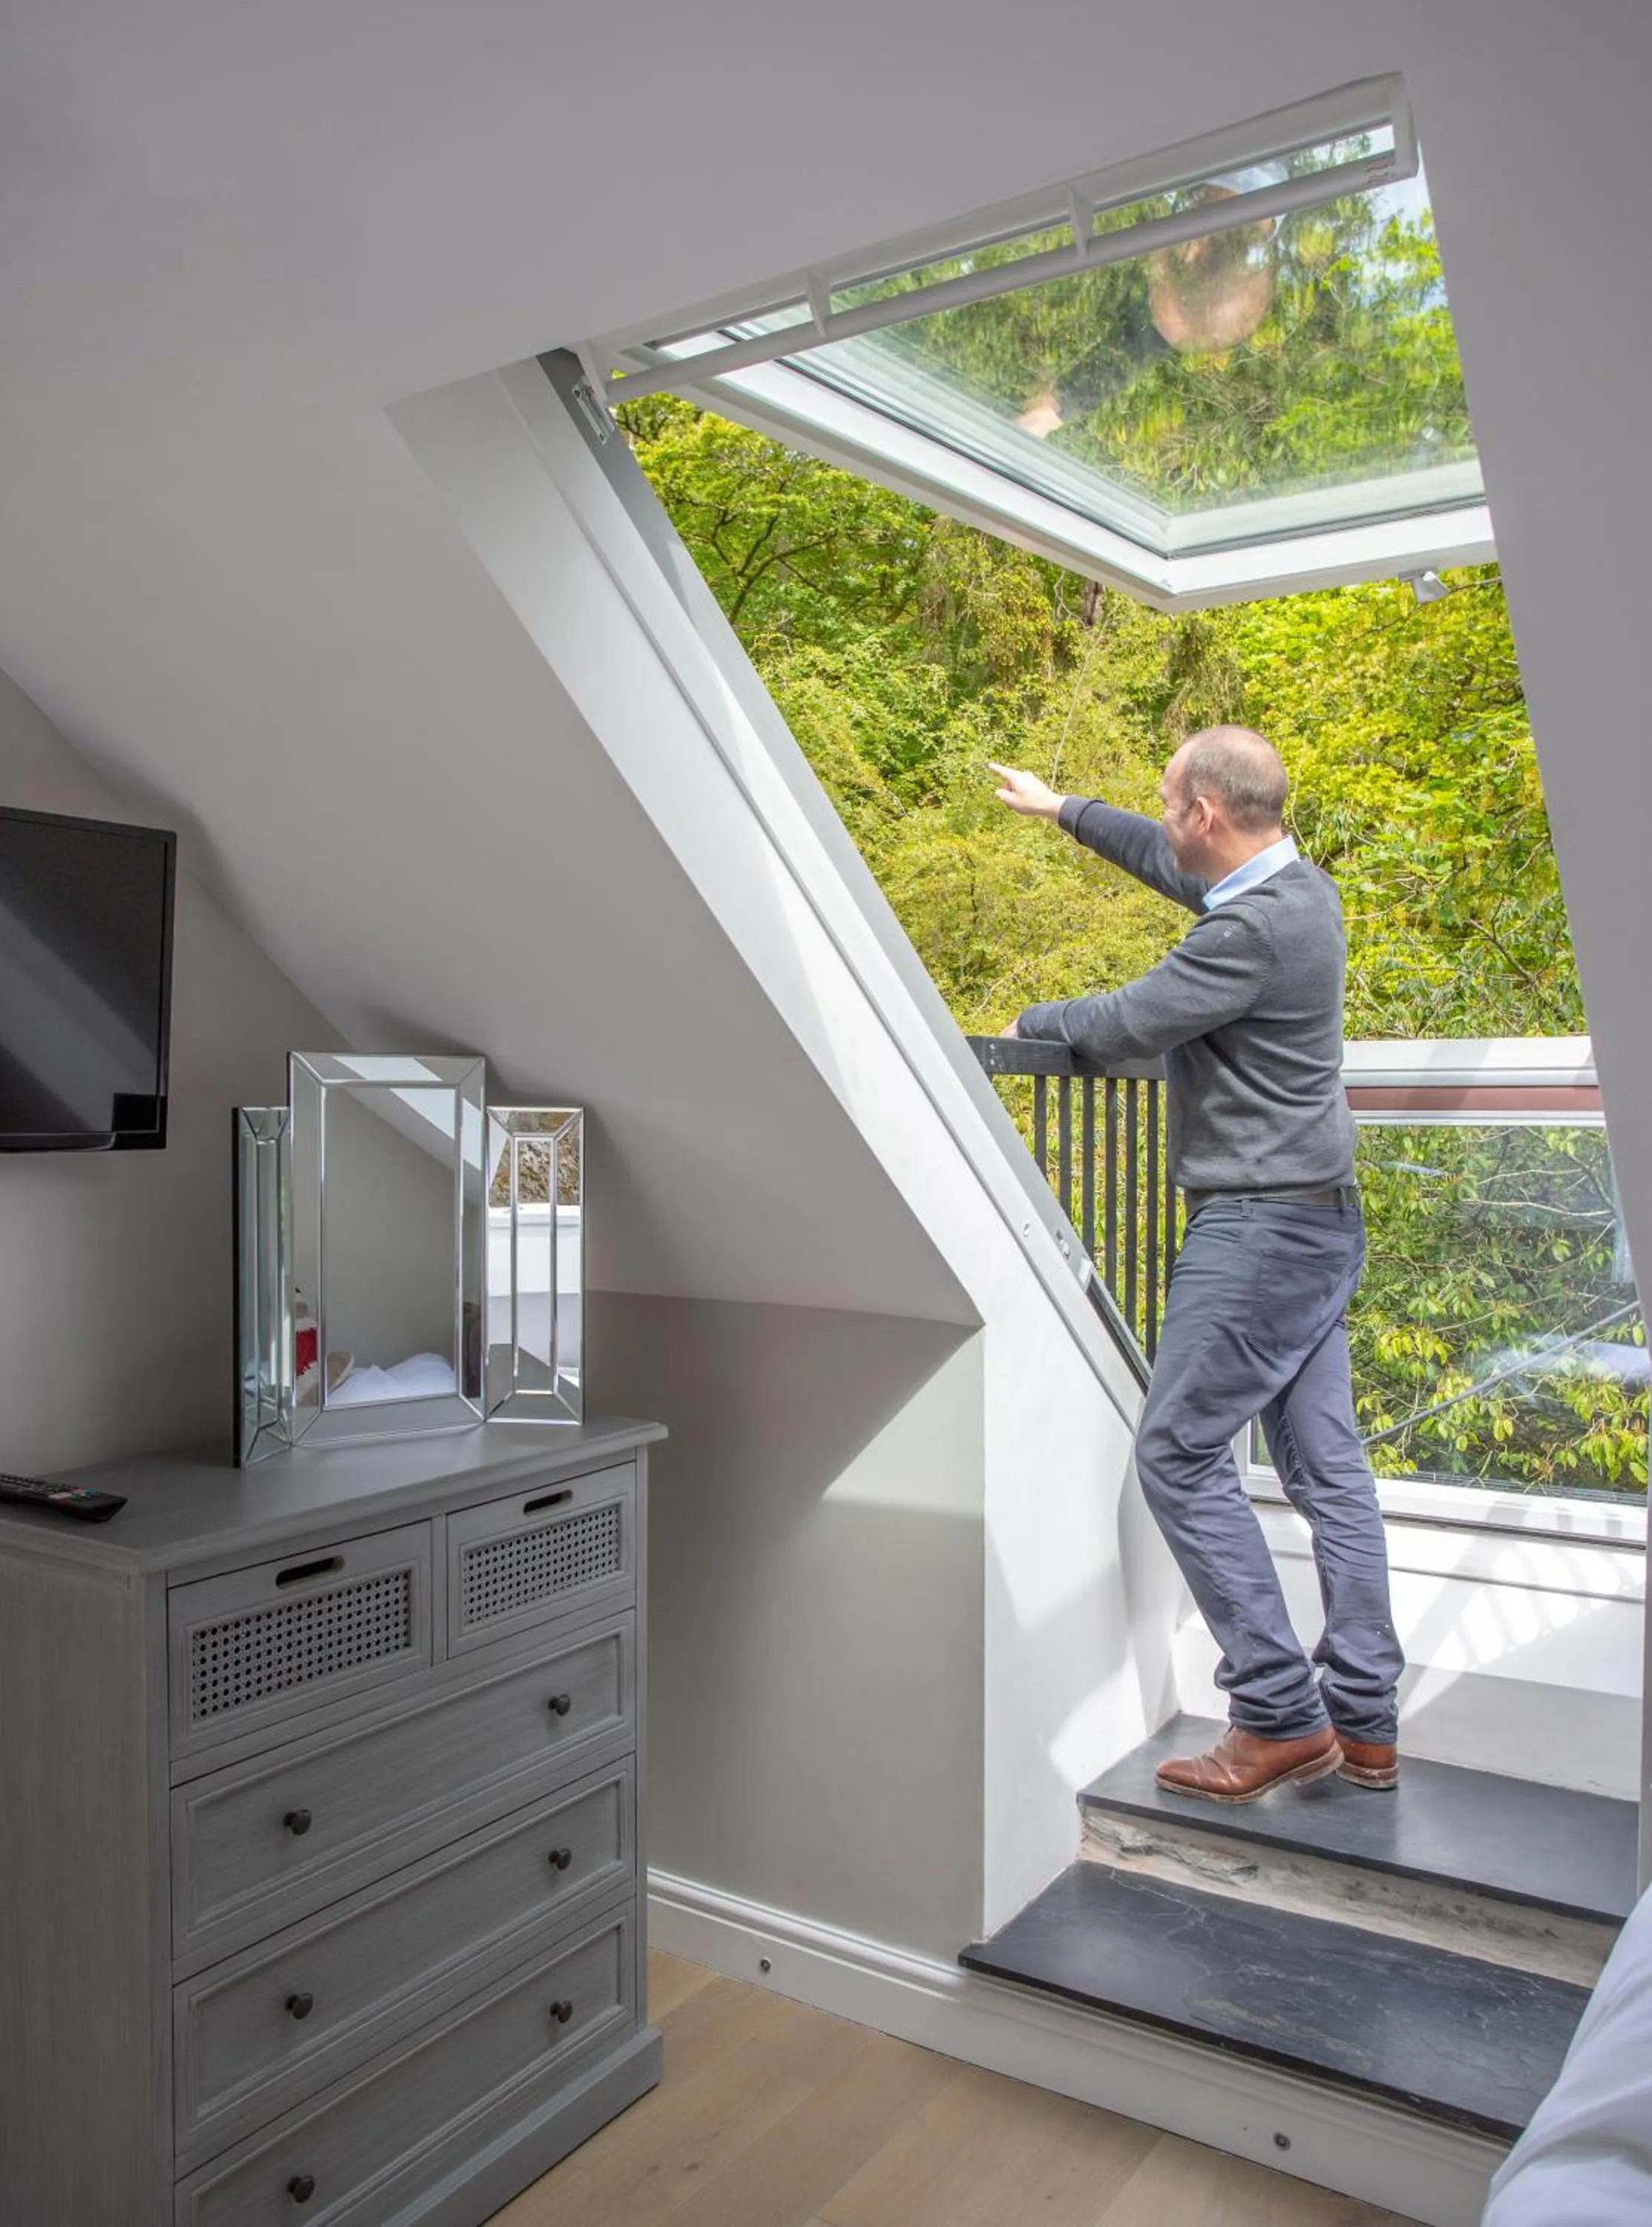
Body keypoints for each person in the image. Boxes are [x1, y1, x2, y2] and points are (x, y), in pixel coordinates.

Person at [991, 728, 1403, 1803]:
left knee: (1176, 1453)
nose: (1161, 817)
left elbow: (1127, 1026)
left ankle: (1275, 1715)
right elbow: (1164, 861)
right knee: (1325, 1470)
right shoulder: (1299, 893)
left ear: (1205, 814)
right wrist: (1061, 807)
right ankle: (1363, 1720)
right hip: (1319, 1222)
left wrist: (1031, 1023)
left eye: (1165, 801)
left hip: (1261, 1232)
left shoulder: (1249, 936)